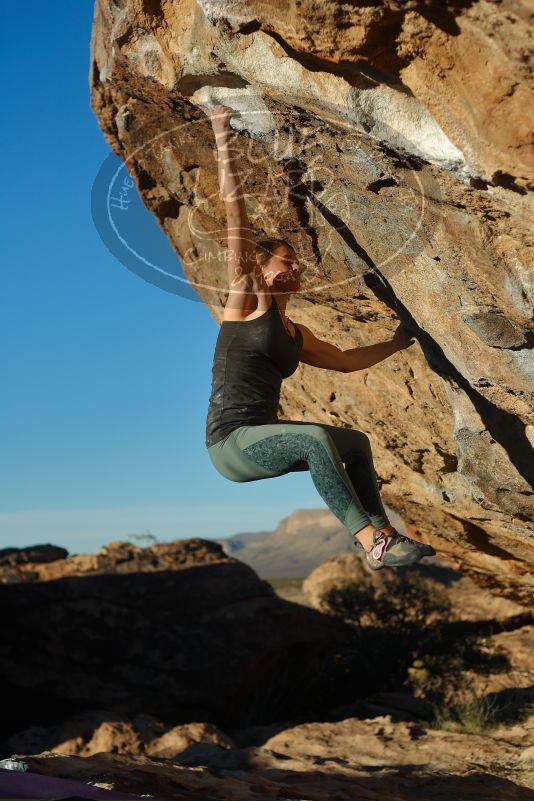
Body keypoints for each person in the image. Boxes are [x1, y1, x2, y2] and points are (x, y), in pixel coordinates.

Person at [204, 104, 435, 570]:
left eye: (298, 261)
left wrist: (399, 340)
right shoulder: (247, 305)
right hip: (231, 444)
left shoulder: (294, 333)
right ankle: (371, 539)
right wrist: (221, 133)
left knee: (354, 443)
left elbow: (346, 361)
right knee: (313, 439)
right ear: (261, 271)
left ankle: (383, 533)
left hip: (262, 436)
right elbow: (237, 222)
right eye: (285, 261)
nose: (297, 267)